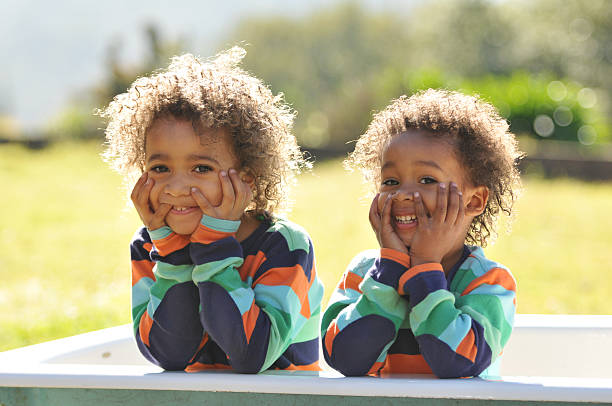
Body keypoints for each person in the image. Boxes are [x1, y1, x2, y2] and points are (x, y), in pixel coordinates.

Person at [102, 47, 324, 373]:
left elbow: (251, 356)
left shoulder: (284, 245)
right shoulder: (150, 245)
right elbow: (170, 356)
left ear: (247, 177)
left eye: (201, 169)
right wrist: (173, 255)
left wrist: (214, 249)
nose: (177, 188)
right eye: (161, 168)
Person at [321, 89, 522, 379]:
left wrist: (426, 267)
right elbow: (344, 358)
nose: (403, 195)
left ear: (474, 201)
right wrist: (389, 271)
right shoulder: (365, 273)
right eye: (391, 181)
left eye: (427, 180)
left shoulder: (488, 283)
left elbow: (457, 363)